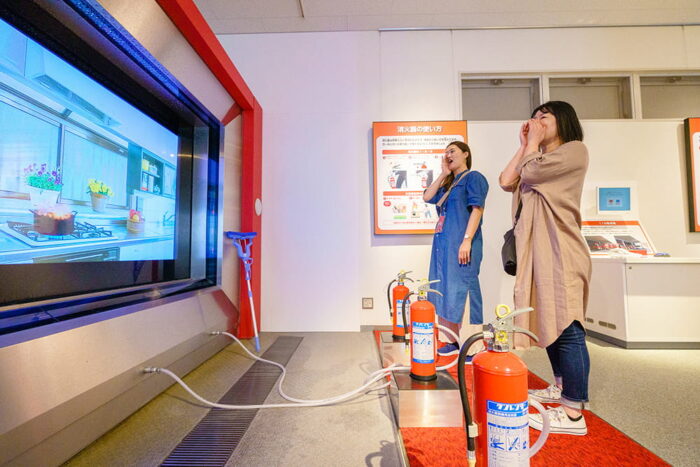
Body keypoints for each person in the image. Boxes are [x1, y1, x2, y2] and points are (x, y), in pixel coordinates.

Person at [499, 101, 592, 436]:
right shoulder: (535, 156)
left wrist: (533, 144)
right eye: (533, 117)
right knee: (547, 319)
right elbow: (506, 180)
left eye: (544, 117)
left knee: (567, 325)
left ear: (563, 120)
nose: (535, 121)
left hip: (560, 251)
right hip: (536, 253)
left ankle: (573, 413)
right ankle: (560, 387)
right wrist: (526, 143)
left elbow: (531, 174)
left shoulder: (574, 150)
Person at [423, 141, 488, 356]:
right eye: (445, 153)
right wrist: (443, 174)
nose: (448, 155)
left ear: (466, 154)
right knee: (445, 289)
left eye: (452, 151)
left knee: (464, 289)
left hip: (462, 244)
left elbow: (477, 209)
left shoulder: (473, 177)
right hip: (444, 247)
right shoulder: (449, 184)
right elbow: (427, 197)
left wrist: (467, 240)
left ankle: (472, 347)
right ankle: (451, 339)